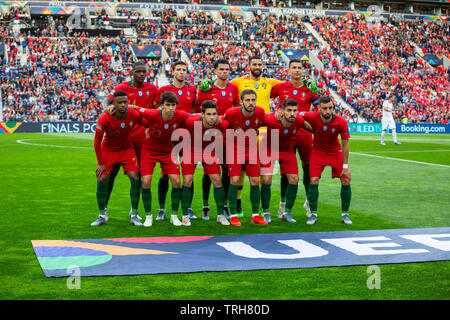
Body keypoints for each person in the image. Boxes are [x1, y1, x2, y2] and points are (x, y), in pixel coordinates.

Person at [101, 61, 158, 221]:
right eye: (138, 71)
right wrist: (105, 107)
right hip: (121, 139)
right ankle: (103, 209)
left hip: (142, 140)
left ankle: (134, 212)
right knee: (110, 175)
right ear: (131, 72)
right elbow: (107, 98)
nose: (141, 74)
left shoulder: (152, 89)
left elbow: (157, 107)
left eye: (143, 71)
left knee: (137, 177)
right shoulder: (122, 88)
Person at [230, 56, 284, 217]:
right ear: (248, 66)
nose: (257, 66)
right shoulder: (238, 82)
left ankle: (260, 206)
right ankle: (237, 204)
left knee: (263, 171)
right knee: (241, 170)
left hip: (265, 132)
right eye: (254, 64)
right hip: (245, 131)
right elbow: (224, 90)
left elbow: (289, 86)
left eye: (260, 64)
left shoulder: (269, 82)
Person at [270, 59, 319, 219]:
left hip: (304, 133)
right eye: (294, 68)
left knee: (308, 168)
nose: (297, 70)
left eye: (300, 68)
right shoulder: (280, 87)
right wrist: (276, 109)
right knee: (286, 171)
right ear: (288, 70)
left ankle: (309, 202)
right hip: (286, 133)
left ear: (303, 71)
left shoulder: (310, 88)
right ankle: (283, 205)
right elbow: (265, 97)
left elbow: (319, 109)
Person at [91, 90, 146, 227]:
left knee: (135, 177)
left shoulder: (133, 114)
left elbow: (147, 122)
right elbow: (97, 142)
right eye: (119, 102)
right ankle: (102, 215)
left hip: (126, 149)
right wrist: (101, 162)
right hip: (108, 150)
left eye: (125, 102)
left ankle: (134, 214)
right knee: (102, 177)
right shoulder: (105, 117)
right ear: (113, 104)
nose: (122, 105)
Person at [135, 91, 190, 227]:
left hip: (168, 153)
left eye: (173, 105)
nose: (171, 108)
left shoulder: (180, 115)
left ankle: (174, 216)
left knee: (176, 181)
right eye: (168, 105)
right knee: (146, 182)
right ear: (161, 105)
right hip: (149, 152)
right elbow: (136, 109)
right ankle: (148, 216)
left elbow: (194, 117)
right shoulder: (152, 113)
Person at [154, 61, 198, 221]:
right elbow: (156, 111)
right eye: (178, 69)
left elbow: (196, 110)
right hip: (169, 138)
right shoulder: (164, 90)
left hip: (188, 137)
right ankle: (161, 209)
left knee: (188, 175)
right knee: (165, 174)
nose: (181, 72)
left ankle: (188, 208)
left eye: (184, 70)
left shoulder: (192, 90)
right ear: (172, 72)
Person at [196, 59, 240, 220]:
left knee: (226, 171)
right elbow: (197, 108)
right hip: (208, 136)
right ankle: (205, 205)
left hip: (227, 136)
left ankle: (225, 205)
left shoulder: (233, 89)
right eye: (221, 69)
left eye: (227, 69)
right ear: (215, 71)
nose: (225, 72)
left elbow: (236, 110)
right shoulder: (207, 88)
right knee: (209, 172)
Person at [301, 95, 352, 225]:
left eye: (330, 108)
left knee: (345, 179)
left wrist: (345, 166)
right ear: (319, 109)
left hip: (335, 152)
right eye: (325, 108)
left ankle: (345, 214)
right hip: (318, 152)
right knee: (314, 180)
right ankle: (313, 214)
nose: (328, 111)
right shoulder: (312, 116)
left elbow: (345, 143)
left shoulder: (341, 122)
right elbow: (297, 115)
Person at [260, 98, 312, 223]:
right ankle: (266, 212)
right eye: (289, 110)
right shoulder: (271, 119)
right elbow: (255, 123)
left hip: (286, 150)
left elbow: (309, 127)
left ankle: (287, 212)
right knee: (266, 179)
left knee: (294, 179)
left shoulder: (298, 120)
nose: (292, 113)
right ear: (282, 111)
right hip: (269, 147)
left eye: (295, 110)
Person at [180, 100, 230, 226]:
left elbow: (231, 121)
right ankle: (185, 215)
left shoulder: (221, 124)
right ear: (202, 114)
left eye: (214, 114)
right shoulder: (191, 122)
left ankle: (220, 215)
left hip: (209, 151)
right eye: (209, 114)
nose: (212, 117)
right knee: (187, 181)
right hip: (191, 149)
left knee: (217, 181)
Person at [224, 89, 267, 226]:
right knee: (235, 180)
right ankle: (233, 216)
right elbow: (222, 125)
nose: (250, 103)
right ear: (241, 101)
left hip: (252, 150)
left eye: (253, 100)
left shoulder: (260, 112)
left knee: (255, 181)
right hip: (235, 150)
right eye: (247, 100)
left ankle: (255, 215)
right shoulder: (231, 113)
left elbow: (268, 122)